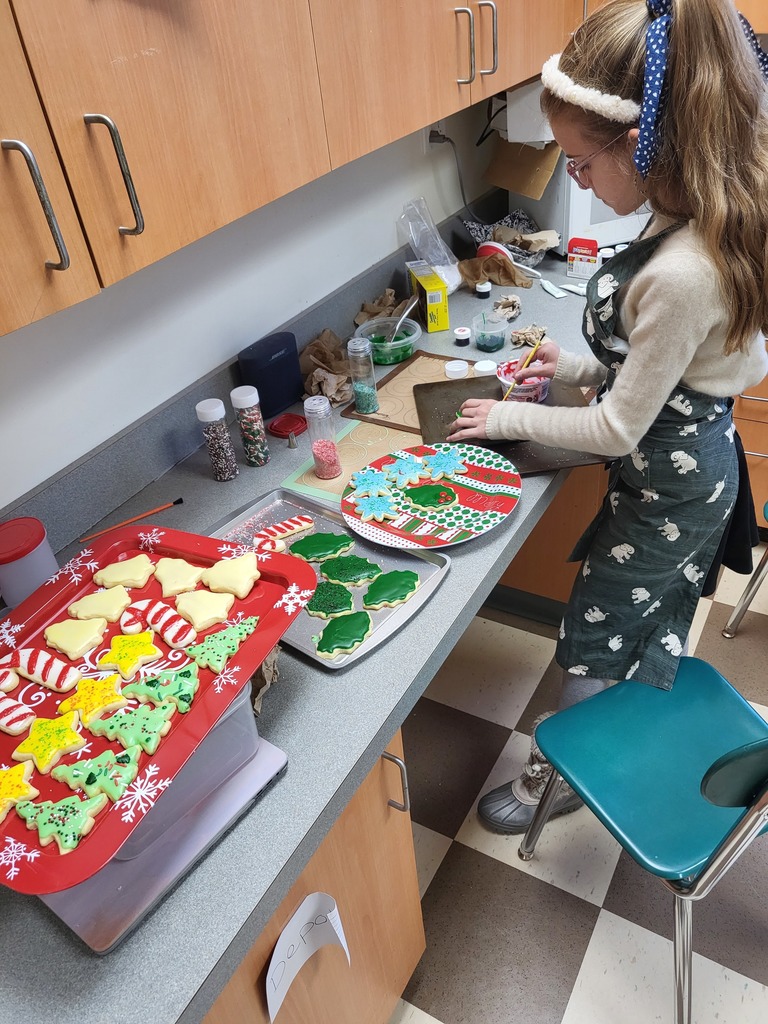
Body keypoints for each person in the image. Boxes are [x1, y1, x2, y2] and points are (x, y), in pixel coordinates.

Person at [447, 0, 768, 834]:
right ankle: (617, 734)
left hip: (671, 486)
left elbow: (620, 428)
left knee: (593, 628)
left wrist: (499, 415)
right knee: (637, 614)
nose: (576, 182)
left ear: (644, 145)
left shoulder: (683, 270)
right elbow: (661, 373)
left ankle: (553, 782)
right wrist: (574, 365)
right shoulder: (690, 213)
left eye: (581, 166)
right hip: (685, 467)